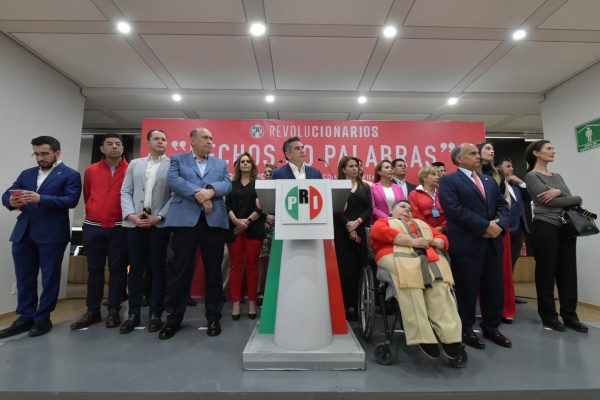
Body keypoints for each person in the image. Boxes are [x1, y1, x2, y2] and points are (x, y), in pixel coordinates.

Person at [0, 136, 81, 338]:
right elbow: (6, 195)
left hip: (52, 233)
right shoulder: (26, 174)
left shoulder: (70, 175)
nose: (40, 158)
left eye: (44, 154)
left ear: (57, 152)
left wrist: (41, 198)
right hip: (24, 232)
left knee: (50, 277)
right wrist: (11, 201)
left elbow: (71, 200)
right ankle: (25, 317)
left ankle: (43, 318)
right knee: (24, 277)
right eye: (36, 154)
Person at [370, 201, 465, 363]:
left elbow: (440, 236)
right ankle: (423, 336)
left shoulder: (422, 224)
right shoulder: (384, 222)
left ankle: (451, 337)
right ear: (392, 211)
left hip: (427, 259)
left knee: (440, 287)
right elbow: (378, 232)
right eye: (402, 207)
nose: (407, 210)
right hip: (396, 255)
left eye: (409, 209)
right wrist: (411, 242)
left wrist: (440, 242)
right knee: (410, 284)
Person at [160, 127, 231, 339]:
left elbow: (227, 184)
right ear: (192, 140)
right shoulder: (178, 159)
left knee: (214, 272)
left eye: (211, 138)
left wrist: (211, 191)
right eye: (205, 137)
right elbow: (173, 181)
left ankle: (213, 317)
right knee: (180, 270)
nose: (210, 141)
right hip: (185, 222)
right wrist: (200, 195)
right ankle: (173, 319)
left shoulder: (220, 163)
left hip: (213, 222)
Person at [439, 143, 511, 349]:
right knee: (466, 290)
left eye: (478, 153)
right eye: (472, 153)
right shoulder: (449, 180)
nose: (478, 156)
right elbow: (454, 209)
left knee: (493, 288)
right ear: (458, 159)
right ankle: (466, 329)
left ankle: (492, 327)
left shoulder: (488, 180)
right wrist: (484, 226)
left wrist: (499, 226)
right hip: (467, 244)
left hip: (492, 243)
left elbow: (502, 205)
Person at [524, 140, 588, 333]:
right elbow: (548, 202)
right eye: (549, 148)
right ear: (536, 153)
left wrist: (559, 192)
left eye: (553, 148)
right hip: (545, 227)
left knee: (568, 273)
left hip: (566, 228)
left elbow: (573, 199)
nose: (553, 151)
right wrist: (568, 197)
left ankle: (570, 316)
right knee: (546, 272)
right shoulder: (532, 175)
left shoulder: (557, 176)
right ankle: (549, 316)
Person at [71, 134, 129, 330]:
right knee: (94, 269)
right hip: (93, 227)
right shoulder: (91, 170)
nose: (114, 147)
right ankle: (92, 310)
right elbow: (88, 194)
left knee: (117, 269)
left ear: (123, 148)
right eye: (110, 144)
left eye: (118, 144)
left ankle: (114, 310)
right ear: (102, 149)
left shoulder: (130, 169)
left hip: (120, 227)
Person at [119, 129, 171, 334]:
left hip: (158, 224)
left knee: (158, 269)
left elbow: (174, 196)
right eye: (156, 139)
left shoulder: (172, 165)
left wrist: (160, 216)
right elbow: (126, 191)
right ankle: (133, 315)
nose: (161, 142)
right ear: (148, 142)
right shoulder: (135, 164)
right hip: (136, 222)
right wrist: (130, 215)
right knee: (135, 270)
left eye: (164, 139)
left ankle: (155, 314)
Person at [477, 142, 515, 323]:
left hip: (500, 225)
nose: (491, 151)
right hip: (479, 225)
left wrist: (501, 220)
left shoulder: (498, 173)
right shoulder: (469, 175)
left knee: (502, 269)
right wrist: (484, 224)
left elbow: (506, 198)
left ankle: (503, 310)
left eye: (493, 148)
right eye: (487, 148)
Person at [226, 153, 265, 320]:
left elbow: (261, 207)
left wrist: (247, 221)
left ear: (252, 165)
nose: (245, 163)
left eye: (248, 161)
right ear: (238, 165)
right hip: (235, 229)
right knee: (235, 266)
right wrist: (236, 221)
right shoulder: (231, 185)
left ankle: (251, 303)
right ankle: (235, 303)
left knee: (252, 266)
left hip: (253, 229)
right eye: (242, 161)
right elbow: (227, 206)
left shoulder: (259, 185)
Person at [333, 156, 372, 320]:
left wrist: (357, 222)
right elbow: (335, 209)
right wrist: (348, 225)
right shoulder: (337, 186)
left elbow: (369, 208)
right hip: (342, 232)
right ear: (343, 169)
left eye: (356, 166)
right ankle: (343, 305)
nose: (355, 168)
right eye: (351, 166)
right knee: (344, 269)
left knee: (359, 267)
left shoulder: (365, 187)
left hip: (360, 230)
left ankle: (357, 306)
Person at [498, 157, 530, 305]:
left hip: (519, 229)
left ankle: (509, 293)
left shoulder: (515, 185)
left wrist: (521, 182)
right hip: (505, 229)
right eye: (508, 166)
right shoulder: (496, 184)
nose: (512, 169)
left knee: (512, 264)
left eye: (512, 166)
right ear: (499, 168)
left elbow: (529, 197)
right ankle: (500, 294)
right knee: (502, 264)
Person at [408, 165, 446, 232]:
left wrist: (442, 227)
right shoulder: (414, 194)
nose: (437, 177)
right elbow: (416, 215)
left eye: (438, 175)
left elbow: (450, 211)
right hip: (425, 231)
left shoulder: (443, 191)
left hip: (446, 230)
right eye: (433, 174)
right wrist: (430, 229)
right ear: (424, 178)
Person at [370, 160, 405, 224]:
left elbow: (403, 205)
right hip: (381, 222)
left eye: (391, 168)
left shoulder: (398, 188)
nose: (390, 169)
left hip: (398, 222)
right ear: (379, 172)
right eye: (387, 167)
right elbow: (373, 208)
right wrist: (387, 218)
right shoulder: (373, 187)